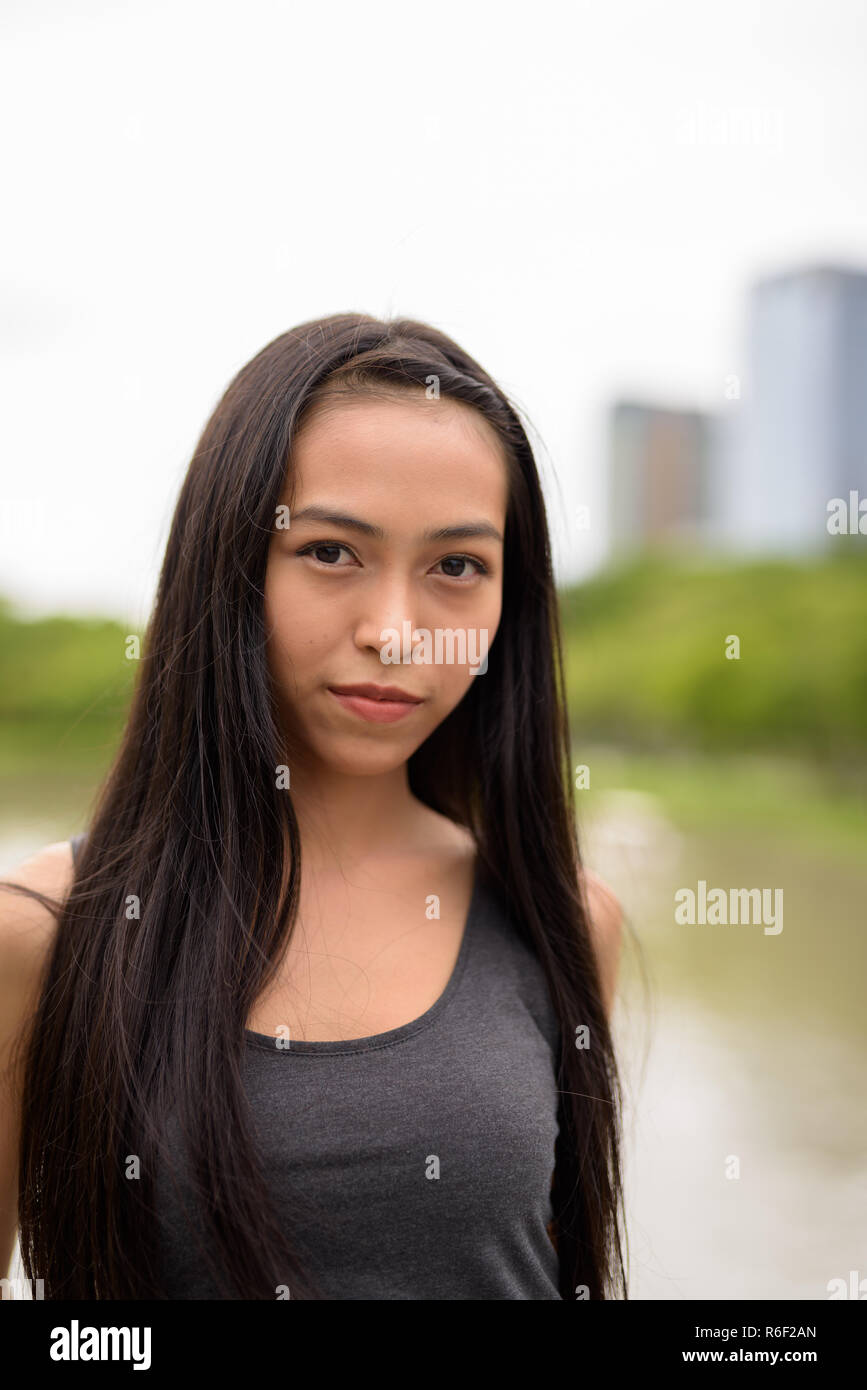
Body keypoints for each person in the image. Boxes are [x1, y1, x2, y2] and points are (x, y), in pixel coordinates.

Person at [0, 313, 626, 1300]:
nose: (394, 632)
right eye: (332, 552)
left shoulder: (564, 921)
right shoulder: (44, 933)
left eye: (458, 566)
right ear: (231, 564)